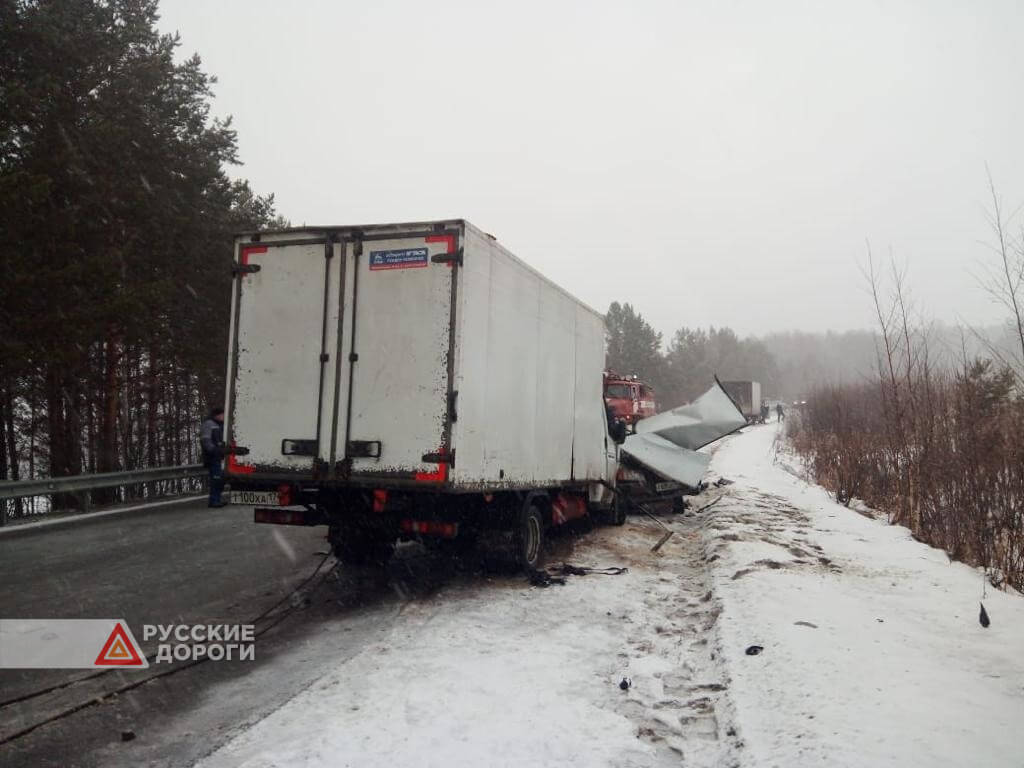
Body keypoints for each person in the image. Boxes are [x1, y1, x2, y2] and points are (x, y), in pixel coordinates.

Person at [201, 406, 227, 508]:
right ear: (218, 415)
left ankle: (217, 499)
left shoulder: (219, 425)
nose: (224, 417)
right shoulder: (209, 424)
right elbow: (206, 440)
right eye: (222, 415)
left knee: (220, 479)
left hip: (219, 456)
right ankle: (214, 501)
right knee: (216, 478)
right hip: (212, 457)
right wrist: (214, 450)